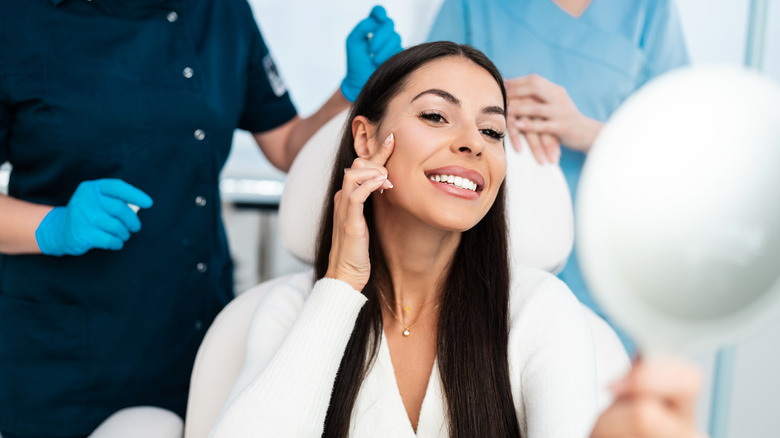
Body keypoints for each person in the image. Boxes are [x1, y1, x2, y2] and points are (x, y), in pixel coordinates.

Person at [208, 41, 705, 438]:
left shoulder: (539, 311)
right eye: (435, 116)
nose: (473, 142)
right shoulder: (290, 310)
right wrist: (340, 285)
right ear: (365, 140)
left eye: (492, 131)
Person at [0, 1, 401, 437]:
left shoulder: (220, 12)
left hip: (193, 326)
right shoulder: (17, 20)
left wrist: (353, 90)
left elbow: (287, 144)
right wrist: (53, 227)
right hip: (65, 353)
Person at [426, 0, 690, 353]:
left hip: (604, 280)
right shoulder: (475, 6)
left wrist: (586, 130)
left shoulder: (648, 11)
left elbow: (684, 156)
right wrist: (484, 109)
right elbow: (422, 108)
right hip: (479, 270)